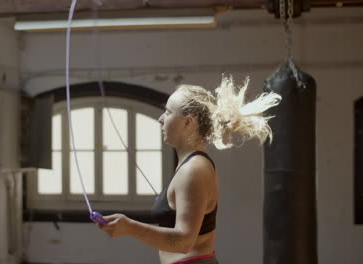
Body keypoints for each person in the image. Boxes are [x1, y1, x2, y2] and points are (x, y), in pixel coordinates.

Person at [98, 76, 281, 264]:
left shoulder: (194, 169)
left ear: (188, 123)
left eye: (168, 113)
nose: (161, 119)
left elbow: (183, 241)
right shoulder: (190, 165)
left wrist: (130, 228)